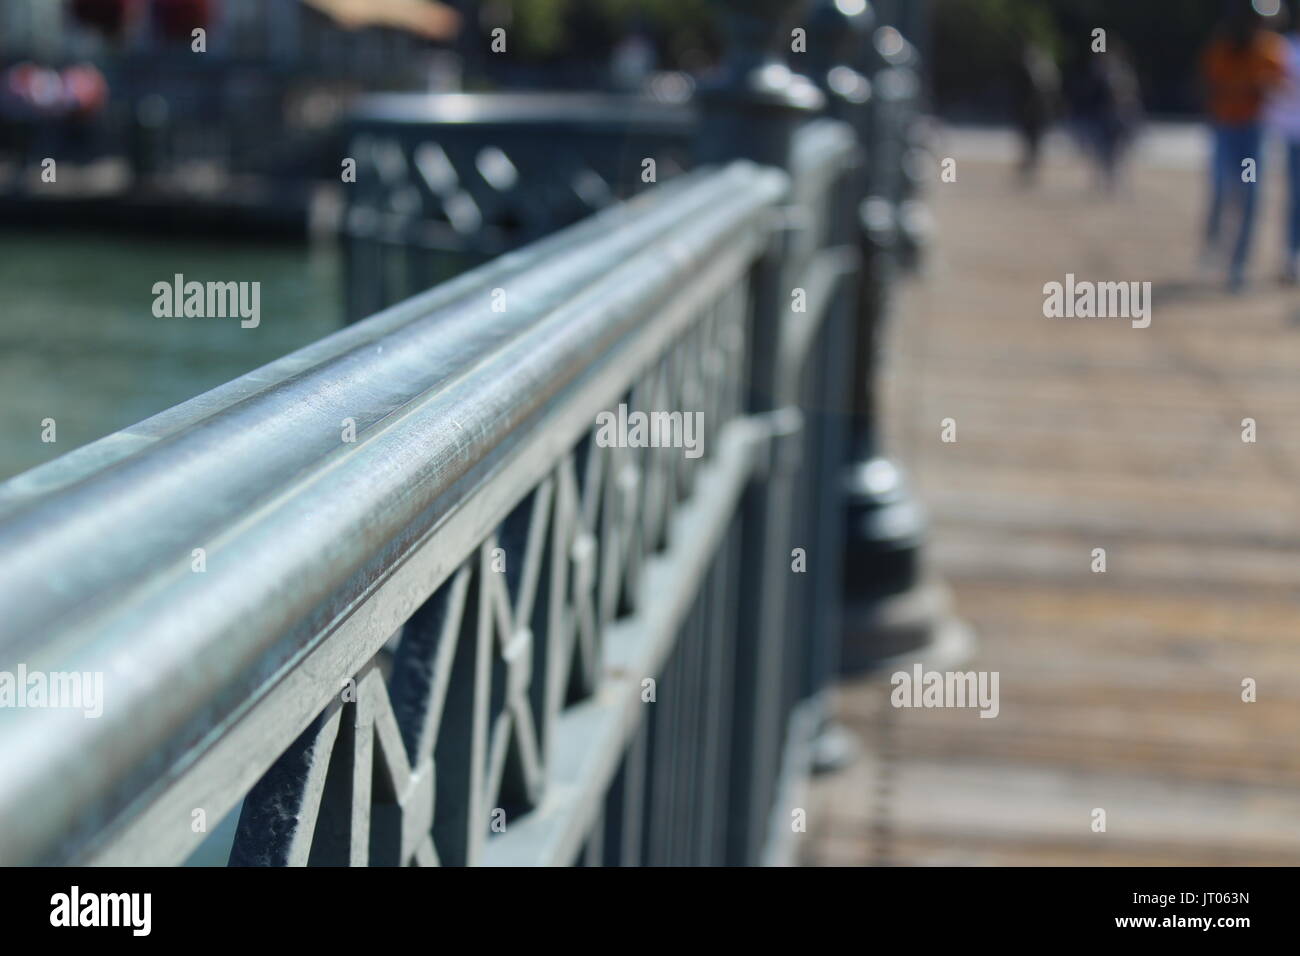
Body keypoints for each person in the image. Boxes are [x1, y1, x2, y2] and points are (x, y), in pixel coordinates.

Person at [1201, 1, 1287, 291]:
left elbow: (1280, 85)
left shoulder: (1270, 49)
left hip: (1254, 131)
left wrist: (1265, 88)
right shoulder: (1223, 47)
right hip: (1226, 129)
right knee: (1223, 188)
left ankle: (1238, 265)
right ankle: (1213, 246)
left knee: (1250, 196)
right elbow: (1210, 85)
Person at [1266, 6, 1300, 281]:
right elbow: (1272, 85)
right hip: (1292, 133)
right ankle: (1292, 255)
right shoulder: (1282, 47)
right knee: (1296, 197)